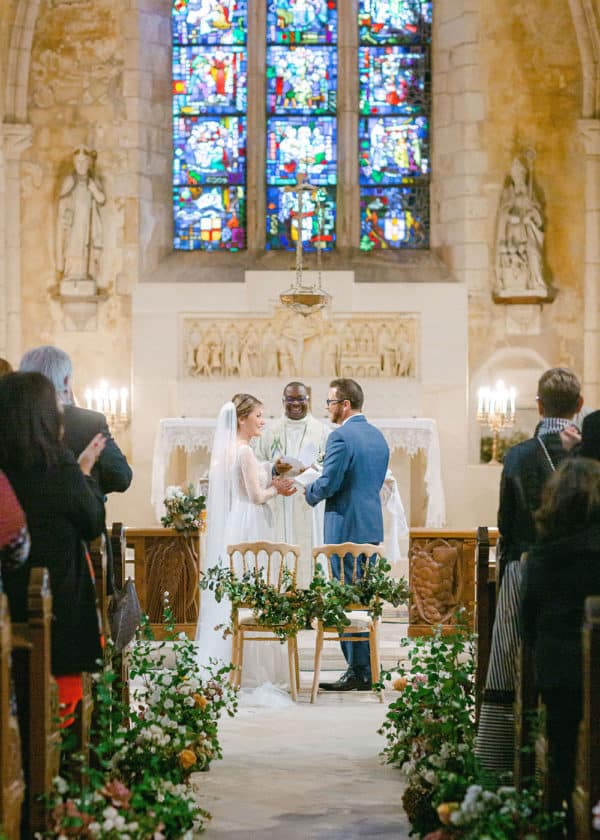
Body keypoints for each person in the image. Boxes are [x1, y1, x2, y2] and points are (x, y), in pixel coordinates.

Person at [476, 367, 582, 774]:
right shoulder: (590, 453)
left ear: (538, 404)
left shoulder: (519, 455)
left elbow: (507, 521)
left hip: (525, 572)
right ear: (579, 405)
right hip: (583, 579)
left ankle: (500, 760)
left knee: (508, 662)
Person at [0, 372, 106, 724]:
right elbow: (92, 523)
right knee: (50, 720)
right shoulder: (59, 467)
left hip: (9, 609)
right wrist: (85, 471)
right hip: (56, 616)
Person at [195, 393, 296, 696]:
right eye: (258, 416)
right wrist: (277, 488)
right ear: (241, 419)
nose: (263, 421)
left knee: (235, 593)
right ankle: (254, 670)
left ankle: (231, 660)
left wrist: (269, 471)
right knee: (256, 589)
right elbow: (256, 496)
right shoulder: (244, 453)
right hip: (252, 520)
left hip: (235, 522)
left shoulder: (229, 450)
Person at [521, 458, 600, 837]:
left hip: (557, 674)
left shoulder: (540, 557)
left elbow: (527, 627)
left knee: (562, 756)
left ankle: (559, 821)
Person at [19, 345, 132, 594]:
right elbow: (122, 477)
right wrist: (88, 478)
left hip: (19, 557)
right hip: (76, 550)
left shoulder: (12, 424)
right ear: (67, 381)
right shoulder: (88, 421)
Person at [305, 378, 390, 691]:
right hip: (370, 526)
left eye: (330, 402)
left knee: (346, 599)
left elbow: (329, 483)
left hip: (345, 528)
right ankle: (367, 668)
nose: (327, 408)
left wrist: (308, 490)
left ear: (344, 404)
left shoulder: (341, 437)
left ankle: (358, 671)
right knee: (365, 599)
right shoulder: (378, 437)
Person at [254, 381, 330, 587]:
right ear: (283, 401)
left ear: (308, 400)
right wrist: (274, 469)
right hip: (281, 502)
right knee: (282, 545)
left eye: (300, 399)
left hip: (309, 500)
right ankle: (281, 595)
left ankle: (312, 592)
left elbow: (330, 466)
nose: (295, 403)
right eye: (290, 399)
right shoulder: (270, 432)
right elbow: (257, 463)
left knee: (310, 546)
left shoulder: (322, 432)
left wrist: (311, 471)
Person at [56, 148, 106, 287]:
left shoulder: (93, 180)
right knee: (72, 246)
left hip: (88, 223)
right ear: (74, 163)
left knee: (87, 246)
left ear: (88, 163)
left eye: (84, 162)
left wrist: (93, 188)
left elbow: (102, 200)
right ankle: (71, 274)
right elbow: (62, 203)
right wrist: (66, 214)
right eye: (78, 162)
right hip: (73, 224)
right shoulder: (69, 180)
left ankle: (86, 274)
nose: (81, 165)